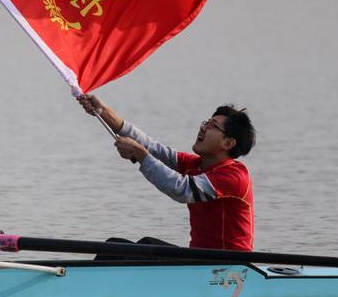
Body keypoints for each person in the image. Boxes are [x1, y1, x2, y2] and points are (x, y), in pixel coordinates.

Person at [78, 95, 256, 251]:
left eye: (213, 126)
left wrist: (140, 155)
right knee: (114, 246)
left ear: (229, 143)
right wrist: (103, 112)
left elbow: (181, 189)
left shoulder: (235, 176)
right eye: (206, 122)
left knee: (145, 245)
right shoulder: (196, 164)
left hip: (230, 269)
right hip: (200, 262)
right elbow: (153, 148)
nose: (203, 127)